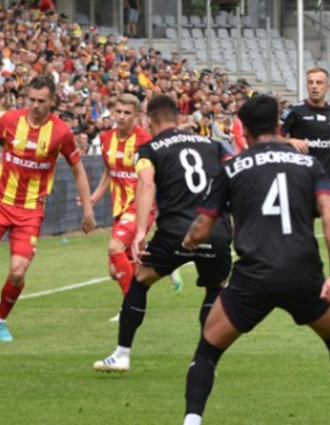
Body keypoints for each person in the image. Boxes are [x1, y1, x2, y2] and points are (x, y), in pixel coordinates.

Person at [165, 95, 330, 425]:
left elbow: (202, 226)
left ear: (243, 129)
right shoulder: (307, 164)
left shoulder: (232, 167)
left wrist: (190, 241)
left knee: (208, 348)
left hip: (253, 277)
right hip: (303, 274)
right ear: (277, 125)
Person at [0, 74, 96, 343]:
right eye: (31, 99)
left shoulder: (61, 132)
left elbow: (78, 171)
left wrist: (88, 210)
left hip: (30, 209)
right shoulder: (9, 121)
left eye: (41, 101)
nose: (35, 105)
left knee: (17, 271)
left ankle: (0, 321)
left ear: (52, 101)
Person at [93, 93, 232, 373]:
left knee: (140, 280)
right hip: (215, 231)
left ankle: (122, 355)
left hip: (175, 232)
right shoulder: (214, 145)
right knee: (215, 287)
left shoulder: (149, 149)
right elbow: (233, 174)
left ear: (148, 119)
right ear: (178, 118)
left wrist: (140, 232)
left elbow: (146, 185)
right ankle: (206, 360)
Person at [89, 93, 154, 297]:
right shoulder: (106, 138)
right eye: (118, 111)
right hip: (120, 207)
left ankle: (130, 305)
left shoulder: (145, 141)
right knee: (114, 270)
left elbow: (150, 179)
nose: (122, 116)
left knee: (115, 247)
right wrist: (92, 198)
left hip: (139, 206)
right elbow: (109, 172)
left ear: (136, 116)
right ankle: (155, 259)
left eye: (127, 112)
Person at [277, 67, 330, 213]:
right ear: (306, 85)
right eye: (311, 82)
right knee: (304, 223)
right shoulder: (293, 110)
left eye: (319, 83)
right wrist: (291, 141)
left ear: (328, 86)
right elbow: (274, 137)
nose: (314, 86)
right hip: (303, 176)